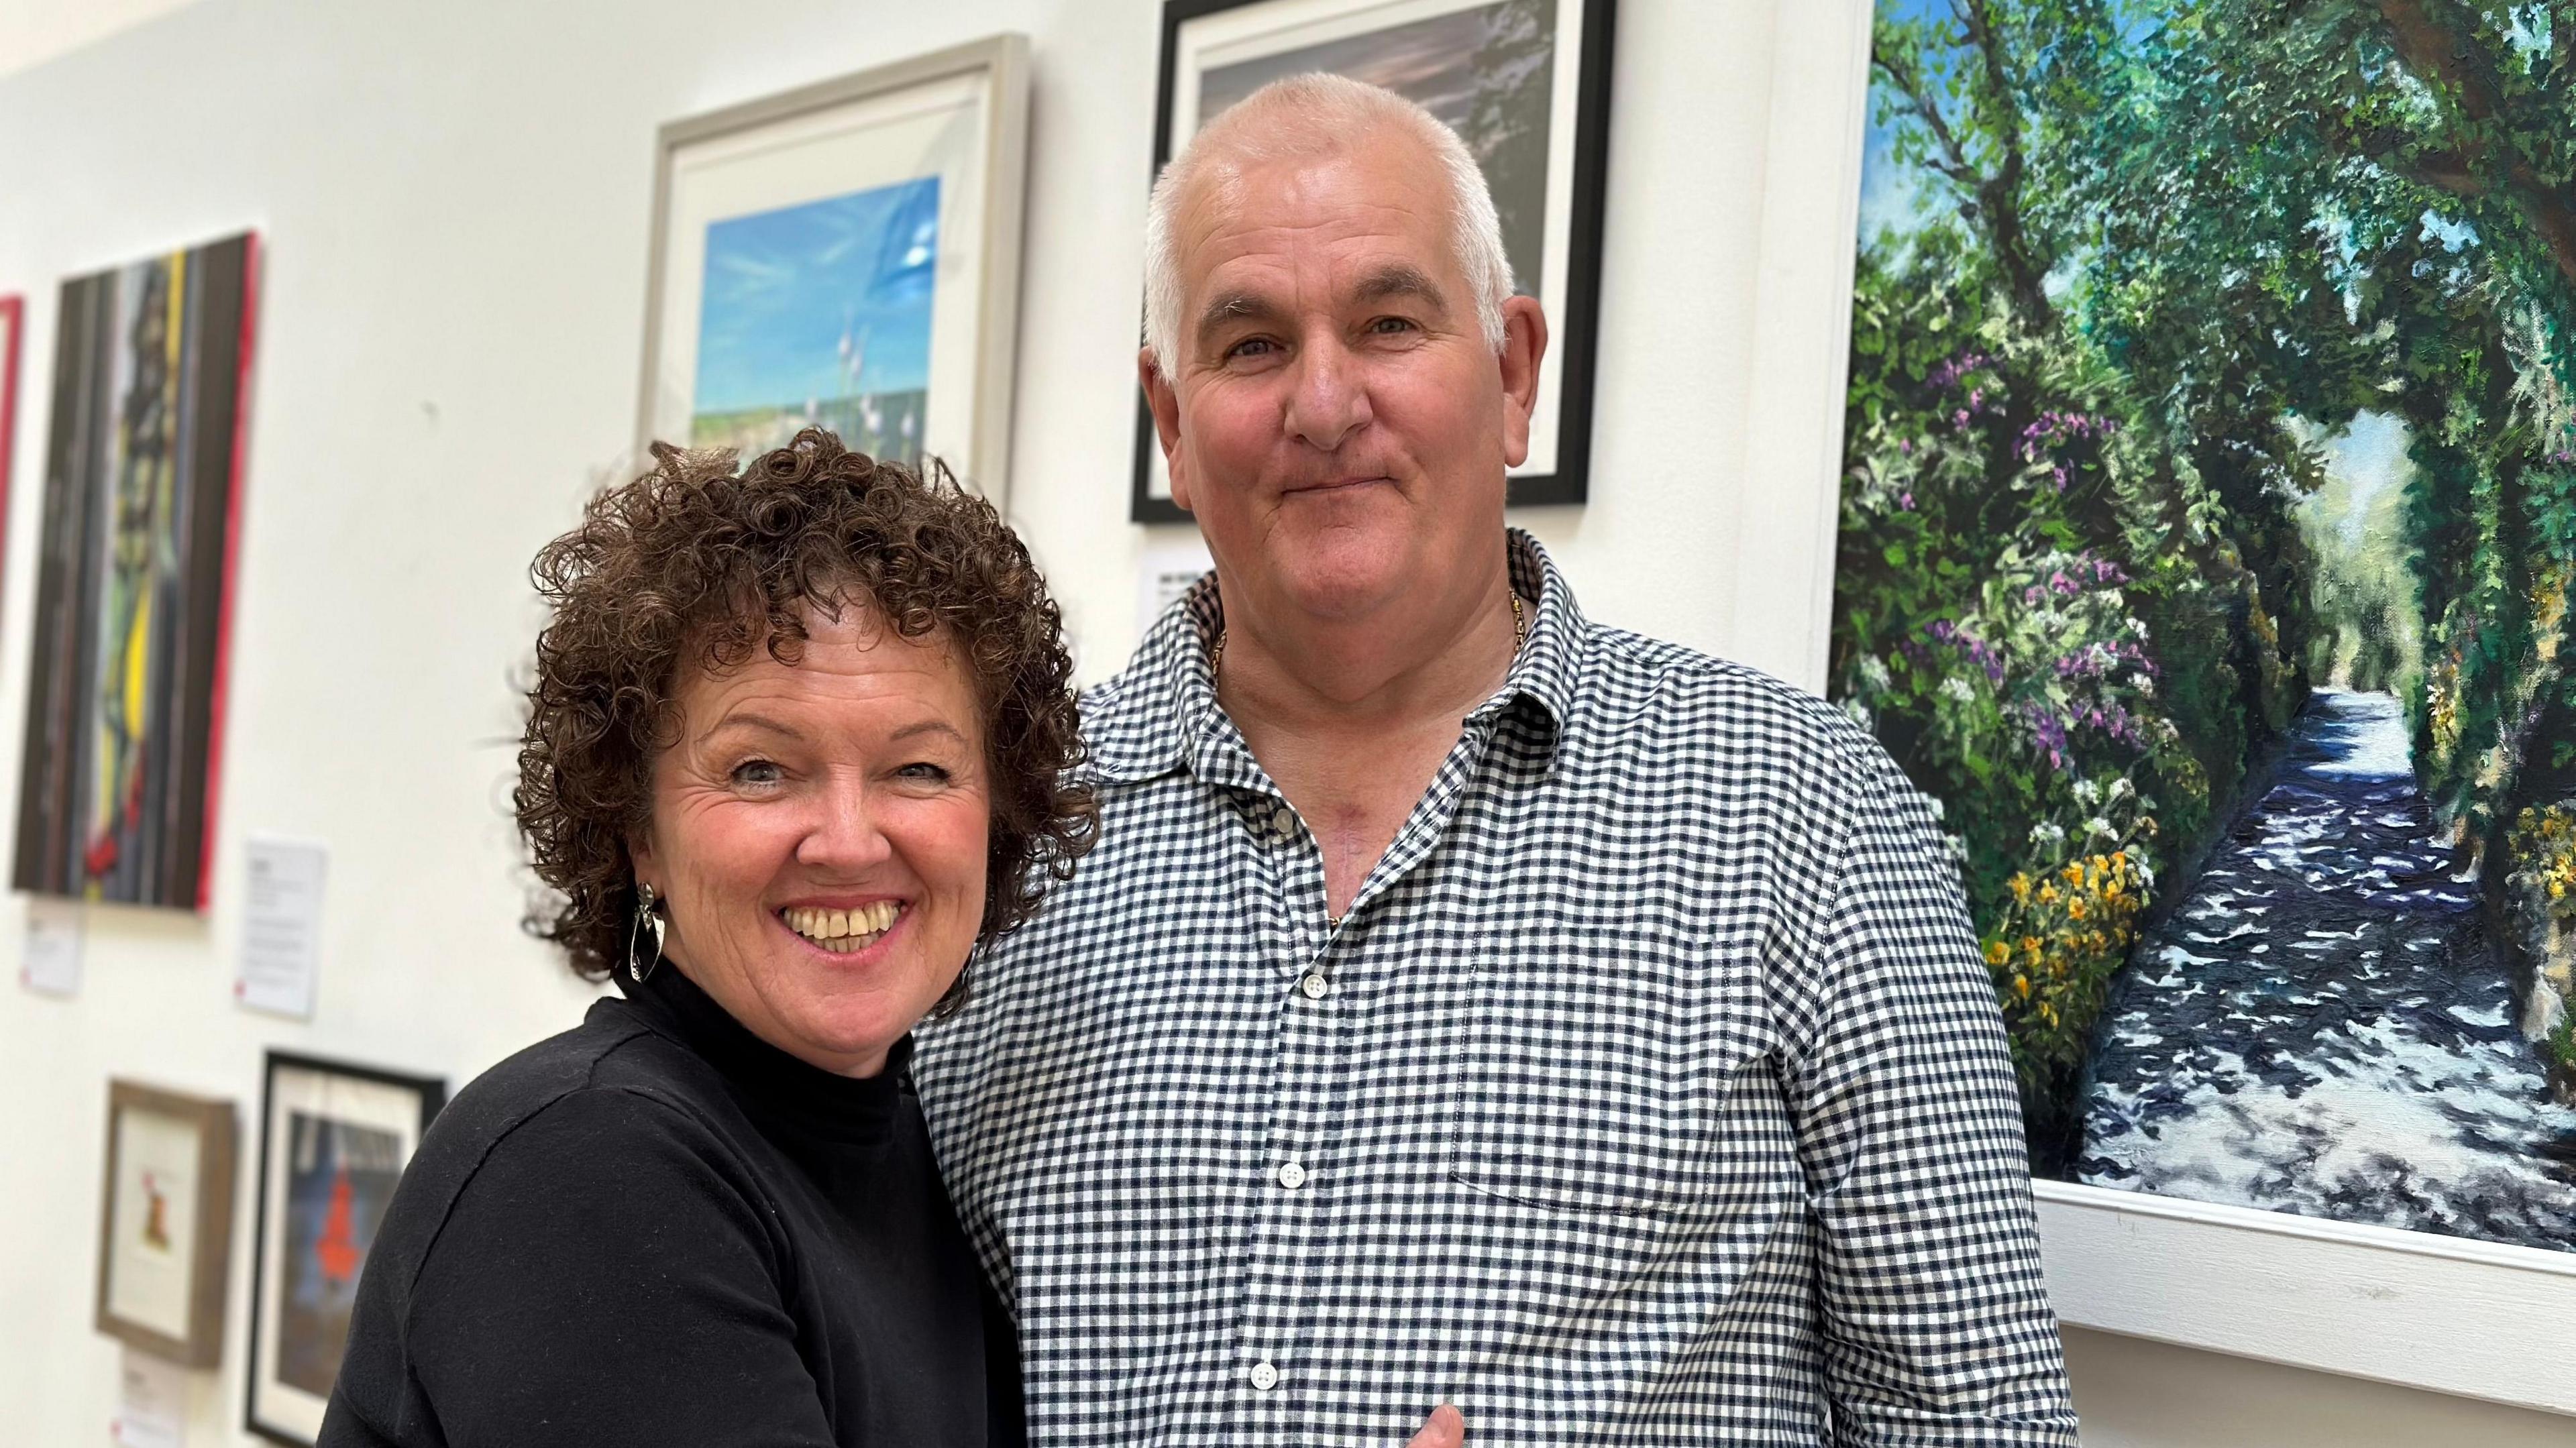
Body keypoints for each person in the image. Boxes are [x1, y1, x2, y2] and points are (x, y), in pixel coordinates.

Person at [912, 74, 2082, 1445]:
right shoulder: (996, 836)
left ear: (1515, 374)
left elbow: (1975, 1418)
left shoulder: (1799, 811)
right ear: (1171, 422)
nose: (1326, 400)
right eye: (1250, 346)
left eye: (1390, 323)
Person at [319, 433, 1094, 1447]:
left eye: (919, 771)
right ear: (640, 830)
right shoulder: (587, 1169)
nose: (851, 841)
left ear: (997, 815)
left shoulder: (908, 1159)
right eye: (763, 771)